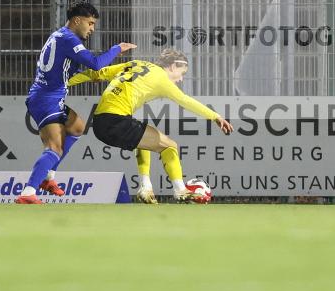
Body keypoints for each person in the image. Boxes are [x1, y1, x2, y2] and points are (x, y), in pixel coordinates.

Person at [67, 48, 233, 203]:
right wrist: (215, 116)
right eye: (182, 74)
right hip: (116, 120)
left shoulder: (136, 63)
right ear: (173, 66)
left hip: (100, 122)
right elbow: (184, 100)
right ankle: (180, 190)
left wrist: (66, 82)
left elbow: (99, 73)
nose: (181, 79)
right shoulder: (162, 78)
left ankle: (146, 187)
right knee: (170, 146)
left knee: (144, 142)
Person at [15, 2, 136, 204]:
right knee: (54, 148)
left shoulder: (59, 36)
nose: (92, 29)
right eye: (90, 23)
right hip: (46, 100)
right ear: (77, 20)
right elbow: (96, 63)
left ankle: (48, 177)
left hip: (51, 97)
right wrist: (117, 49)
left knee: (77, 127)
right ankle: (28, 192)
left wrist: (86, 74)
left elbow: (61, 68)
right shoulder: (69, 39)